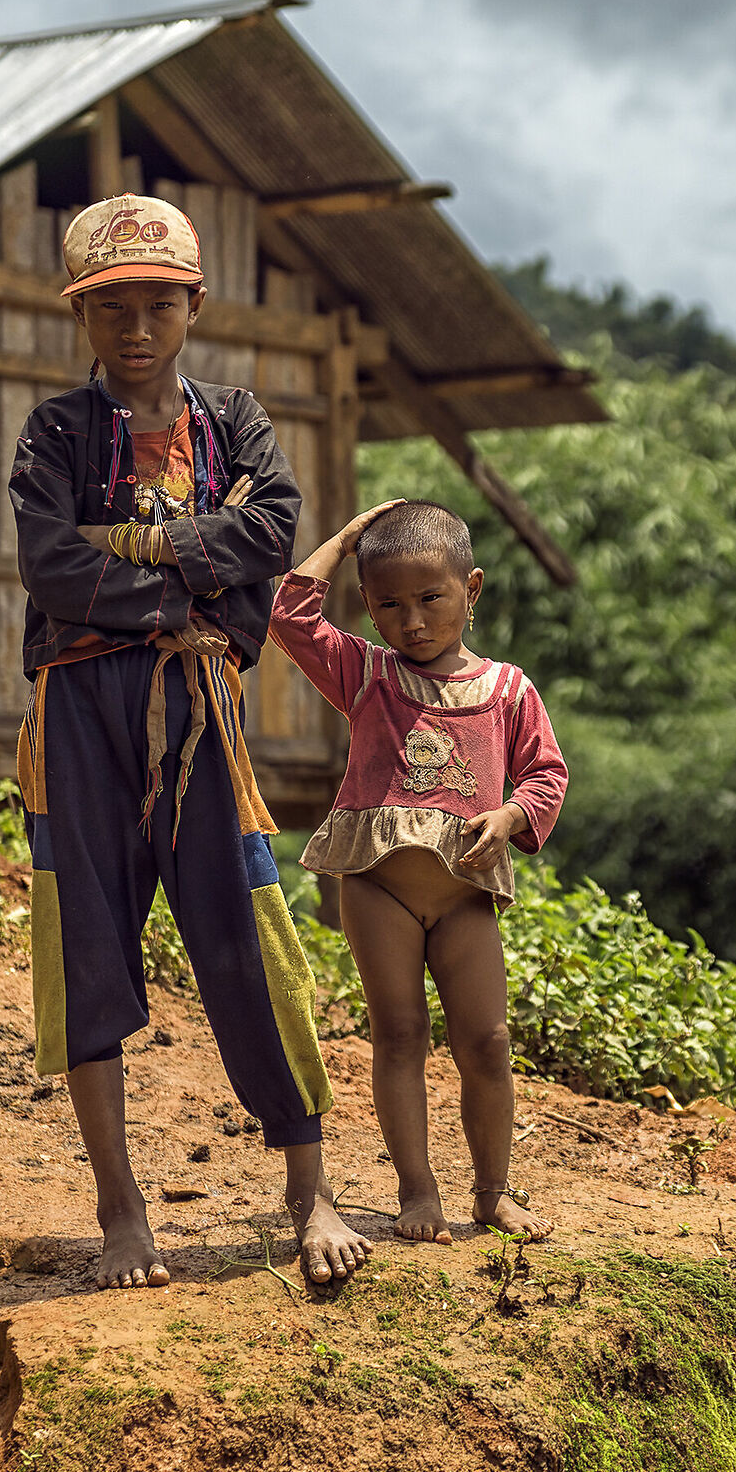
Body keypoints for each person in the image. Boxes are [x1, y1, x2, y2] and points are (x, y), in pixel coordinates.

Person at [9, 191, 371, 1289]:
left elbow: (275, 528)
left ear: (193, 307)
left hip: (201, 717)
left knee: (251, 933)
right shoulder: (57, 434)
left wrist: (136, 541)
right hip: (80, 714)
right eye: (109, 308)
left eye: (155, 305)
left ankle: (310, 1194)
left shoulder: (238, 421)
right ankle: (123, 1213)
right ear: (82, 319)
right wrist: (180, 593)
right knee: (88, 946)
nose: (133, 329)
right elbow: (49, 565)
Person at [270, 499, 568, 1243]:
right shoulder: (365, 674)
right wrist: (344, 540)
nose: (412, 622)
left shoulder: (508, 689)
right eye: (388, 605)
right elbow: (287, 613)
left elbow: (547, 775)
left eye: (431, 598)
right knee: (399, 1035)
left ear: (471, 590)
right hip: (379, 888)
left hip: (465, 898)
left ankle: (493, 1189)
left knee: (487, 1042)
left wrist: (508, 817)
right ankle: (417, 1189)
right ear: (367, 610)